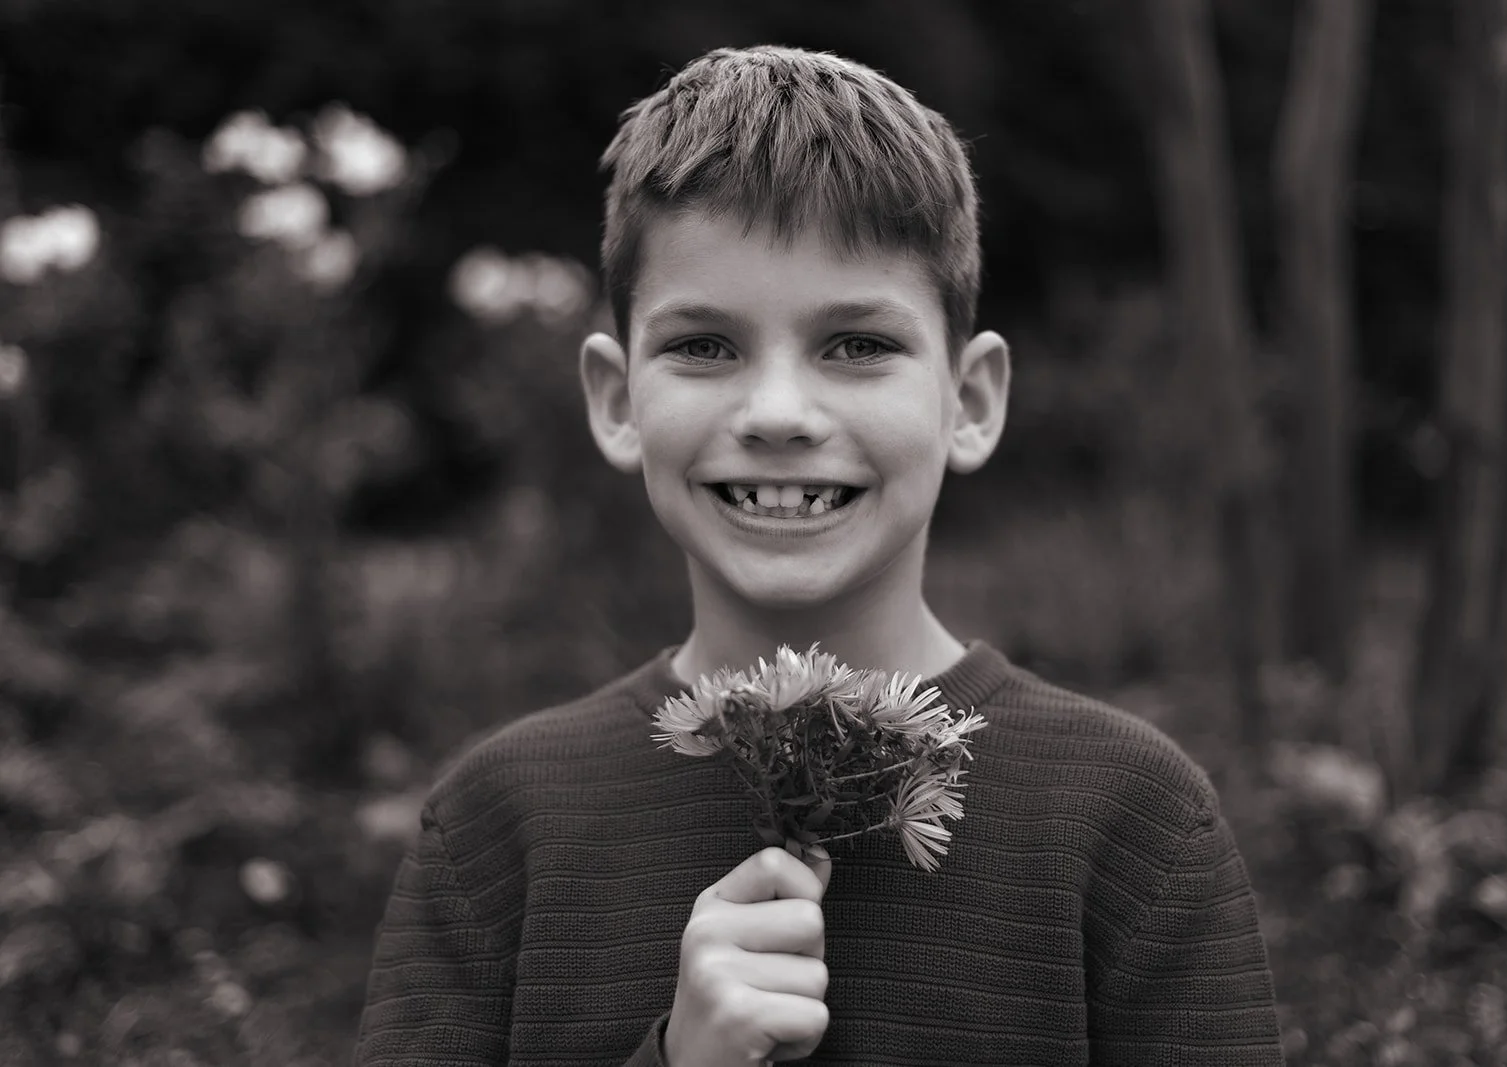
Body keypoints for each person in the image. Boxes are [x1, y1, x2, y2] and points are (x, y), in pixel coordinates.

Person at [354, 44, 1283, 1066]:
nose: (778, 413)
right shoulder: (497, 826)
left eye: (858, 345)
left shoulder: (1133, 821)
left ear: (970, 401)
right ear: (617, 402)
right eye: (704, 346)